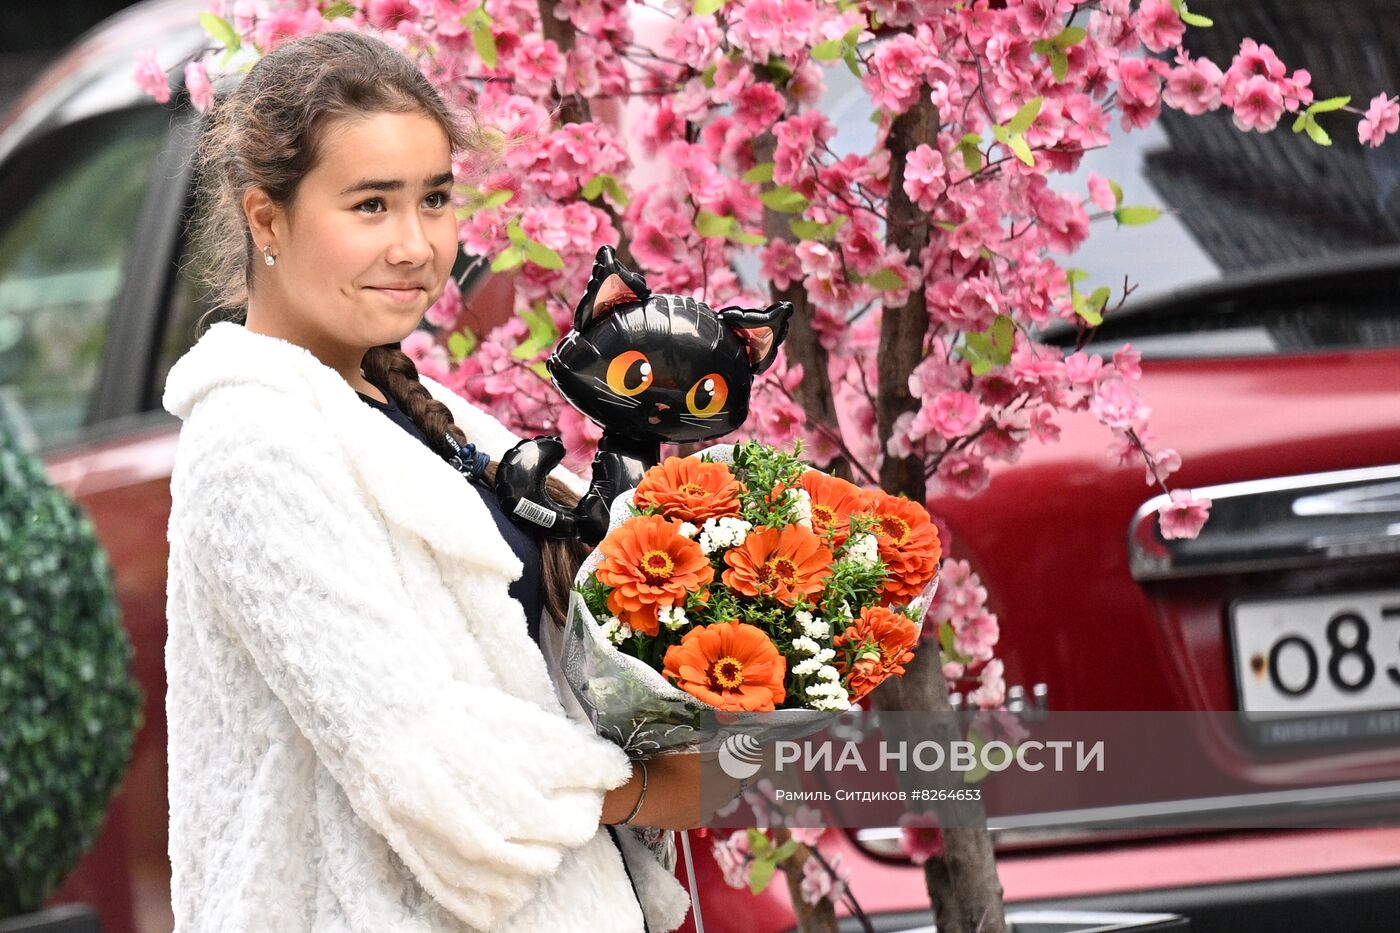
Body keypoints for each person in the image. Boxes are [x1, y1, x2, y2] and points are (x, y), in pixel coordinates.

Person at [162, 31, 699, 932]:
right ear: (267, 220)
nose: (415, 244)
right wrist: (650, 787)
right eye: (371, 205)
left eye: (435, 199)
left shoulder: (423, 411)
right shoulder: (252, 444)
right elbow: (418, 755)